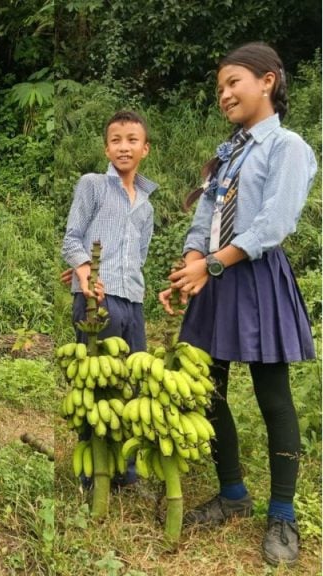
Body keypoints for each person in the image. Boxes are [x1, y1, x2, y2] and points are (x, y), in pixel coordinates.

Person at [158, 42, 316, 567]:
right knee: (211, 391)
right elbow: (203, 221)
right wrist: (188, 265)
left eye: (233, 83)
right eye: (220, 87)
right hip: (214, 277)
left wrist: (213, 263)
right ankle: (231, 493)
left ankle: (283, 514)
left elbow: (273, 224)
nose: (224, 94)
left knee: (273, 397)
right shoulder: (229, 152)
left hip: (254, 276)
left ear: (267, 81)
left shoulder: (286, 147)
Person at [61, 110, 158, 488]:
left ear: (145, 149)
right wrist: (85, 270)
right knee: (96, 385)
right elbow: (72, 238)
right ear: (106, 147)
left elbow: (142, 254)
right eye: (116, 140)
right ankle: (93, 470)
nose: (124, 147)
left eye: (132, 140)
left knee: (130, 382)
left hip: (132, 299)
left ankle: (126, 470)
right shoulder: (93, 185)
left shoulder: (146, 205)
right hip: (96, 300)